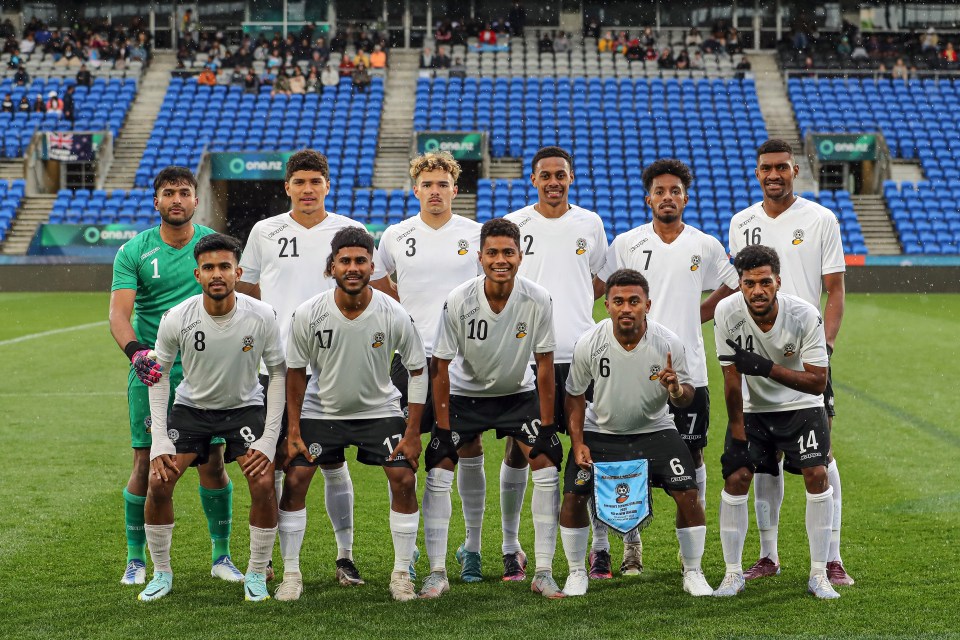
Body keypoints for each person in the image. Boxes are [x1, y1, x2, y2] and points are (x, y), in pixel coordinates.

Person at [236, 150, 393, 598]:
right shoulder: (264, 231)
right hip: (278, 364)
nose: (307, 189)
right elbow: (247, 292)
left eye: (315, 181)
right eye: (299, 181)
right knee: (283, 461)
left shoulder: (347, 233)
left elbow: (376, 290)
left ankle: (344, 556)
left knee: (332, 460)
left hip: (335, 362)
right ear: (287, 187)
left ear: (328, 186)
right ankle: (276, 564)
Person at [596, 159, 739, 574]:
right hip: (632, 370)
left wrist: (699, 314)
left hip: (689, 370)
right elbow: (605, 289)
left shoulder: (705, 244)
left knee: (692, 455)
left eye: (675, 191)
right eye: (660, 191)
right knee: (627, 456)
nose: (667, 197)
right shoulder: (626, 242)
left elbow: (731, 283)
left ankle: (688, 547)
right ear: (649, 198)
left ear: (685, 197)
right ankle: (630, 545)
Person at [109, 167, 242, 588]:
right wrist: (137, 354)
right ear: (157, 202)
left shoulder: (211, 248)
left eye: (185, 192)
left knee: (214, 462)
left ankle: (221, 555)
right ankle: (136, 559)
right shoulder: (134, 251)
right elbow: (118, 314)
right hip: (153, 372)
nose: (177, 200)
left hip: (209, 371)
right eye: (169, 193)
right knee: (147, 463)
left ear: (195, 200)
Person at [728, 139, 851, 586]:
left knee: (822, 457)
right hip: (755, 356)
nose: (774, 174)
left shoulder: (821, 219)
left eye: (781, 166)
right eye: (766, 168)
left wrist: (827, 347)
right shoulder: (741, 222)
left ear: (794, 170)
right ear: (757, 172)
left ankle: (832, 557)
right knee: (763, 460)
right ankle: (768, 555)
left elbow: (834, 289)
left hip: (807, 355)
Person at [137, 233, 285, 602]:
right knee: (158, 482)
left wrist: (268, 439)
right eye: (208, 268)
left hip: (244, 408)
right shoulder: (177, 317)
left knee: (264, 482)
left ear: (238, 271)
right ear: (197, 274)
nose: (216, 274)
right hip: (191, 410)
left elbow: (279, 373)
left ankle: (256, 573)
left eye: (224, 267)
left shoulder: (262, 314)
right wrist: (160, 440)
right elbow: (157, 377)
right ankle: (161, 573)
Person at [421, 218, 563, 600]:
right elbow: (440, 366)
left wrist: (548, 426)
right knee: (439, 467)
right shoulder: (458, 300)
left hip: (518, 395)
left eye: (508, 253)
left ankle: (544, 572)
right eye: (493, 253)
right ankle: (440, 570)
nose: (501, 260)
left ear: (521, 256)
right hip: (466, 396)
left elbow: (545, 363)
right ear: (480, 257)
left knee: (547, 465)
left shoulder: (538, 298)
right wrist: (443, 427)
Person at [282, 227, 426, 602]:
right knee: (295, 481)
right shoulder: (308, 313)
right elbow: (295, 372)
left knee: (404, 479)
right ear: (331, 267)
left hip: (378, 410)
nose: (352, 267)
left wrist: (412, 432)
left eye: (360, 260)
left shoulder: (393, 313)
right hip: (321, 411)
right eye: (344, 260)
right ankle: (291, 574)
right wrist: (293, 429)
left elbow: (417, 369)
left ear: (372, 265)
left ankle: (400, 574)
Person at [557, 269, 714, 598]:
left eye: (633, 301)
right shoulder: (589, 342)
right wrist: (578, 442)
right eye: (618, 301)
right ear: (607, 305)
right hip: (601, 431)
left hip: (654, 429)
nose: (626, 308)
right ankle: (575, 572)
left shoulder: (668, 342)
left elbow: (685, 394)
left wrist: (675, 390)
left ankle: (693, 571)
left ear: (647, 305)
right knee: (572, 495)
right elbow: (573, 397)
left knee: (687, 493)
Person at [712, 244, 839, 600]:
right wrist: (737, 434)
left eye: (765, 282)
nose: (757, 291)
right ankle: (732, 573)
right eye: (749, 283)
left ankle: (819, 574)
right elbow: (731, 380)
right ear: (739, 284)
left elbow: (817, 381)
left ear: (778, 281)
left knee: (817, 474)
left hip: (802, 406)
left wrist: (767, 368)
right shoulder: (726, 312)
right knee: (736, 476)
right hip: (754, 410)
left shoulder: (804, 314)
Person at [504, 146, 607, 581]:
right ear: (533, 180)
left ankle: (600, 547)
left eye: (560, 175)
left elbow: (599, 279)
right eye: (545, 175)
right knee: (522, 450)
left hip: (580, 356)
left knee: (594, 450)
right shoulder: (516, 223)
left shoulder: (590, 223)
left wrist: (574, 310)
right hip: (527, 360)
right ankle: (512, 547)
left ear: (570, 178)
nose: (552, 182)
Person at [378, 152, 482, 583]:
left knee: (468, 449)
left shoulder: (475, 234)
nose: (435, 191)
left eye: (443, 184)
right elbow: (379, 280)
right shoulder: (396, 235)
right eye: (427, 184)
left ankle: (471, 546)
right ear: (415, 189)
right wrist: (406, 315)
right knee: (403, 451)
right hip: (410, 358)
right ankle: (410, 547)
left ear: (455, 189)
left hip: (463, 359)